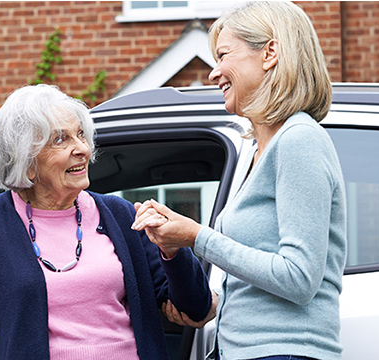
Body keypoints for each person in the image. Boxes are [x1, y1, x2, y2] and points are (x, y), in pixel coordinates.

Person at [0, 84, 213, 360]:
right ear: (27, 160)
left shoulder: (121, 215)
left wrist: (173, 250)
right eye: (61, 139)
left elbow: (195, 307)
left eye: (81, 134)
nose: (82, 148)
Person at [132, 2, 347, 360]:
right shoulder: (260, 150)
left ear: (270, 54)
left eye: (223, 55)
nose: (214, 72)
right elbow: (266, 271)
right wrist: (221, 304)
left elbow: (298, 278)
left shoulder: (299, 140)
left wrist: (197, 237)